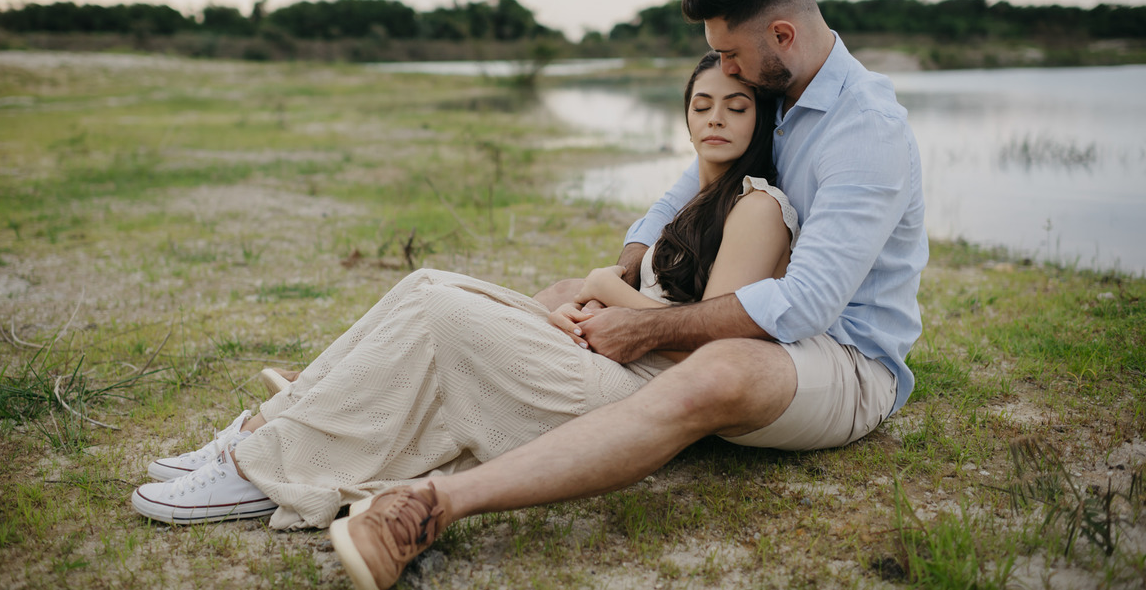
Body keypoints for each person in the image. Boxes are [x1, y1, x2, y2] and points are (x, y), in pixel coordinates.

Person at [332, 0, 928, 590]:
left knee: (720, 367)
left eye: (731, 53)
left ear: (782, 33)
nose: (726, 69)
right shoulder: (775, 92)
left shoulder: (864, 127)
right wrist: (625, 273)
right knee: (568, 292)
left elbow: (807, 304)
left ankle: (433, 506)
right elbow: (678, 194)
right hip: (774, 330)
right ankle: (362, 398)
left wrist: (645, 326)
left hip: (847, 358)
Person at [131, 52, 798, 531]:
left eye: (736, 107)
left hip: (638, 396)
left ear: (760, 120)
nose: (715, 118)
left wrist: (603, 286)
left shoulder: (756, 207)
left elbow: (716, 340)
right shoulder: (698, 200)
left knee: (441, 312)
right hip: (609, 358)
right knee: (426, 282)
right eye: (701, 104)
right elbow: (659, 301)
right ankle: (259, 432)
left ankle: (263, 472)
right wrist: (583, 306)